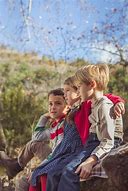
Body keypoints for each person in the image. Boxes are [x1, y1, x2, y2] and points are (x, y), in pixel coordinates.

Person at [29, 71, 124, 191]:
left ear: (79, 91)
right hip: (66, 150)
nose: (64, 95)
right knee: (45, 173)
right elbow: (38, 136)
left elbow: (102, 97)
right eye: (64, 92)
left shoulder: (86, 104)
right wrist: (45, 117)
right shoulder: (71, 113)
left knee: (59, 172)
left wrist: (117, 101)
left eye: (68, 91)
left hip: (81, 148)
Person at [55, 64, 124, 191]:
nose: (78, 90)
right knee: (61, 169)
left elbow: (108, 141)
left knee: (69, 171)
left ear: (92, 84)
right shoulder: (93, 104)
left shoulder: (104, 105)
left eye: (79, 86)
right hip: (91, 143)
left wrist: (91, 161)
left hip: (106, 143)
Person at [1, 88, 66, 180]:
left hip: (58, 160)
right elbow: (36, 137)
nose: (53, 107)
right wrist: (44, 117)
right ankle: (15, 165)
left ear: (68, 105)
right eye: (50, 104)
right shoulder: (55, 126)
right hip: (55, 157)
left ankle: (16, 166)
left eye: (58, 103)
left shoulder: (65, 124)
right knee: (33, 144)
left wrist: (40, 168)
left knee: (33, 145)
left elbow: (59, 150)